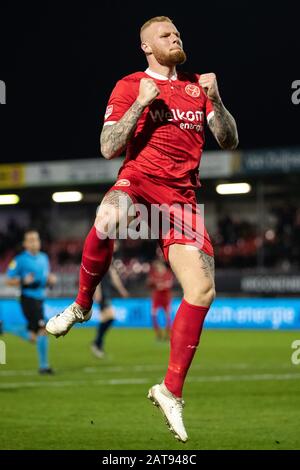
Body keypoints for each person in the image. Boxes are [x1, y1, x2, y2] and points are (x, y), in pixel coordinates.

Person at [46, 16, 238, 441]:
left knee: (203, 290)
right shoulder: (130, 84)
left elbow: (228, 140)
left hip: (182, 200)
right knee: (107, 217)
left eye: (179, 34)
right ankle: (81, 305)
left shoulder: (197, 86)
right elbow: (107, 147)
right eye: (166, 35)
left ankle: (170, 391)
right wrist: (141, 103)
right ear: (147, 47)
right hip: (140, 180)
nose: (176, 38)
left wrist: (218, 101)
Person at [6, 230, 57, 374]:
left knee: (33, 337)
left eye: (36, 239)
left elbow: (45, 278)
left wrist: (50, 280)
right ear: (25, 244)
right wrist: (23, 280)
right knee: (44, 329)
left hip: (40, 298)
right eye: (31, 240)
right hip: (28, 298)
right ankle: (44, 367)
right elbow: (8, 280)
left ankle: (5, 327)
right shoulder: (19, 260)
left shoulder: (44, 258)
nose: (35, 242)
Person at [91, 264, 129, 358]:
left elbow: (115, 279)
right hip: (103, 295)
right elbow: (97, 278)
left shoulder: (109, 264)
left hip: (107, 294)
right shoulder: (101, 262)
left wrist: (122, 290)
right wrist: (97, 292)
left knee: (105, 319)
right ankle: (97, 344)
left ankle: (97, 345)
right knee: (110, 317)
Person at [147, 259, 174, 341]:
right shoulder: (154, 274)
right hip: (156, 298)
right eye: (157, 267)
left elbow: (169, 284)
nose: (158, 268)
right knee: (153, 315)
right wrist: (152, 284)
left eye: (159, 267)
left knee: (167, 316)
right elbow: (150, 284)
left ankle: (167, 334)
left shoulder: (168, 274)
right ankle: (158, 334)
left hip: (165, 298)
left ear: (162, 266)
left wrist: (160, 285)